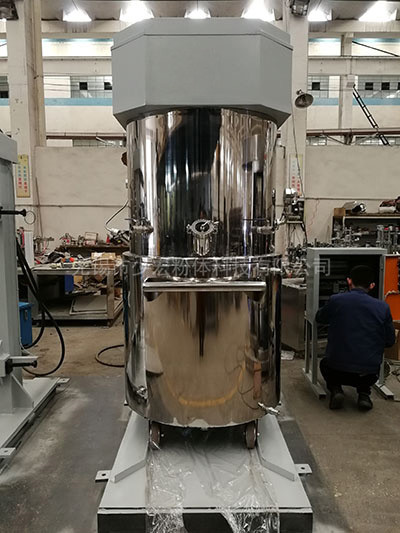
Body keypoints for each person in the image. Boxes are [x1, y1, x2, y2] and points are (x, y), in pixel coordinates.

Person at [316, 265, 395, 411]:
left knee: (324, 364)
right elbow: (390, 341)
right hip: (368, 373)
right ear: (372, 285)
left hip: (337, 370)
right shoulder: (383, 307)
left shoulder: (336, 300)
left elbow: (319, 318)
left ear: (349, 281)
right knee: (370, 366)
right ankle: (364, 395)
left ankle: (336, 390)